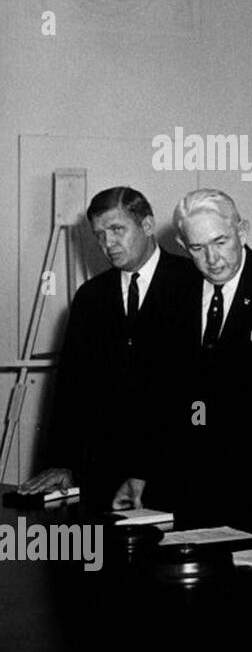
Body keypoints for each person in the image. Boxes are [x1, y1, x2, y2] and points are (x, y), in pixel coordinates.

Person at [121, 189, 252, 530]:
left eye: (221, 242)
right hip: (185, 484)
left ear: (242, 232)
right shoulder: (172, 293)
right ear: (183, 246)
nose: (212, 259)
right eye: (198, 248)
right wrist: (140, 472)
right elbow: (156, 392)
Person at [18, 187, 193, 513]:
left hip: (178, 475)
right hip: (104, 477)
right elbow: (70, 391)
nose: (108, 243)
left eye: (117, 230)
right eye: (100, 235)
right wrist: (62, 463)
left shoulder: (193, 283)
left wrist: (150, 469)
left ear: (148, 225)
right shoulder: (90, 297)